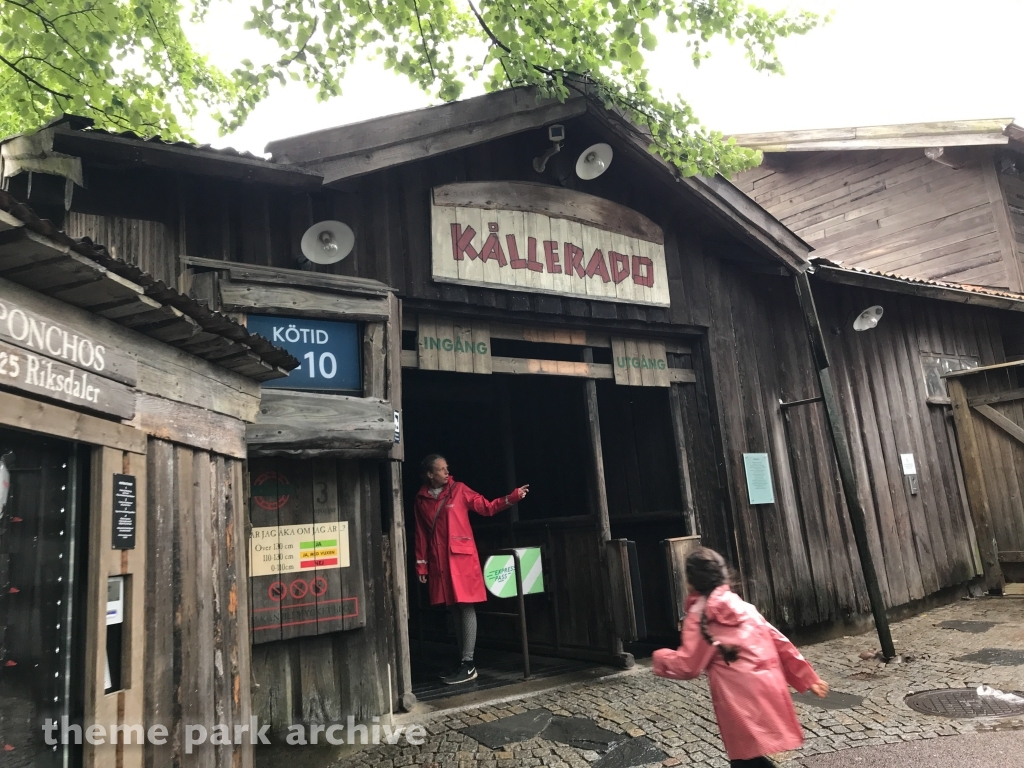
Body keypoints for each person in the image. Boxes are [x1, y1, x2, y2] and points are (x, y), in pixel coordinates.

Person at [652, 548, 829, 767]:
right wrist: (807, 677)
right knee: (746, 758)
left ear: (690, 582)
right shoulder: (742, 606)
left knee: (744, 759)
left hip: (738, 699)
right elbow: (779, 641)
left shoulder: (700, 616)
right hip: (768, 688)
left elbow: (689, 666)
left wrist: (660, 657)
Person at [413, 454, 529, 685]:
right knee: (454, 608)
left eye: (447, 468)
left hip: (462, 559)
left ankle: (468, 663)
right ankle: (463, 661)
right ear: (429, 474)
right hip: (440, 560)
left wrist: (512, 498)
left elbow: (486, 507)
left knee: (465, 606)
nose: (447, 472)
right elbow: (421, 534)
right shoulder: (421, 499)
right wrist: (421, 565)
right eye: (442, 469)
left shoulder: (459, 490)